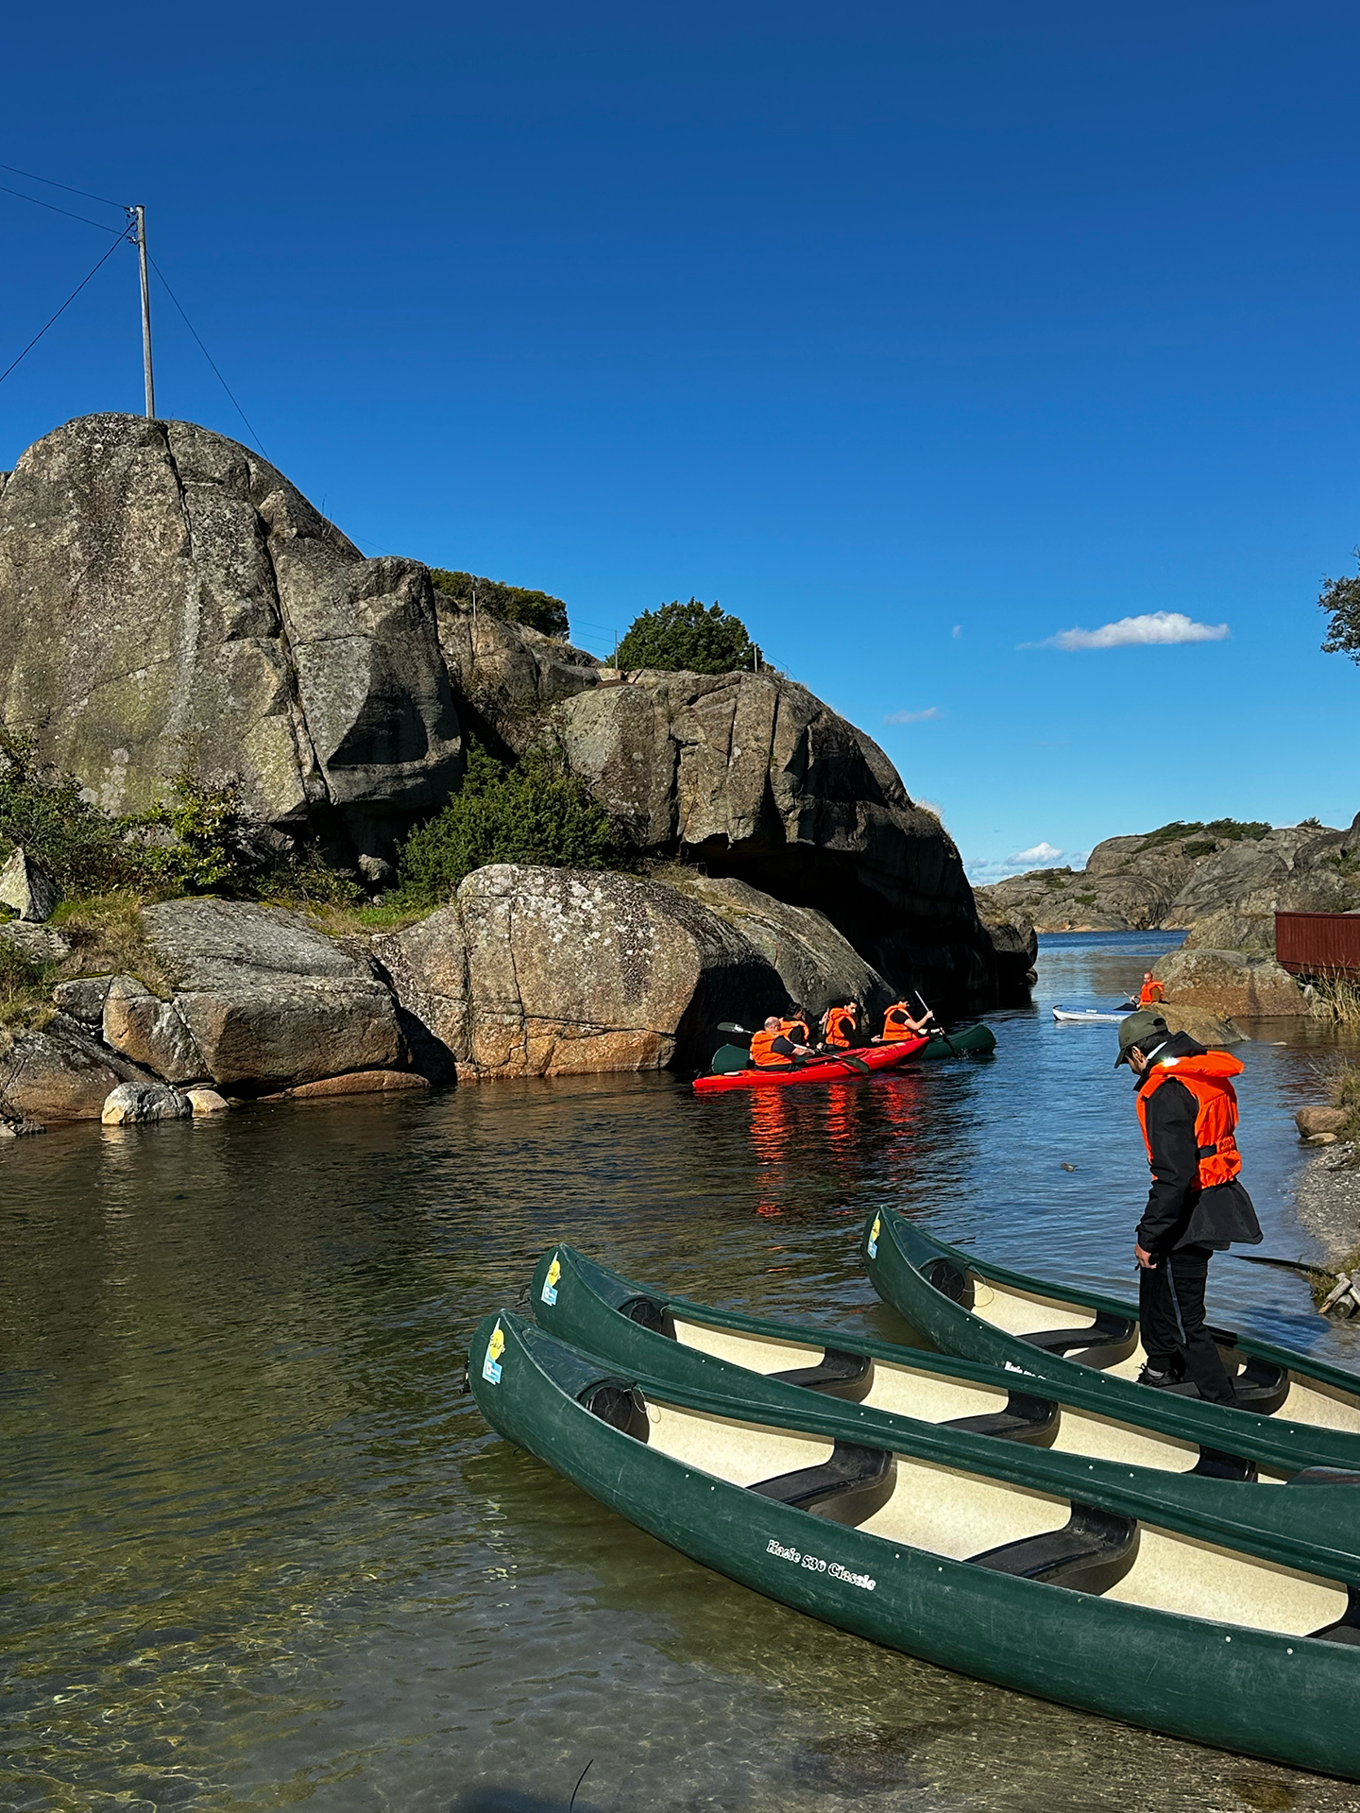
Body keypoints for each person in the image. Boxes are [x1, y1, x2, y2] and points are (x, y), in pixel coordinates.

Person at [1114, 1009, 1262, 1402]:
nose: (1131, 1070)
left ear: (1138, 1055)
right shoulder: (1201, 1073)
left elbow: (1174, 1178)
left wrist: (1148, 1237)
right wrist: (1152, 1240)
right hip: (1217, 1195)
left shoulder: (1166, 1092)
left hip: (1192, 1208)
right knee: (1154, 1278)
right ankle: (1161, 1368)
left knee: (1185, 1316)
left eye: (1128, 1062)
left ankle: (1223, 1406)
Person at [749, 1014, 815, 1069]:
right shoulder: (778, 1040)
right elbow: (801, 1053)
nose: (780, 1029)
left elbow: (751, 1057)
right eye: (779, 1027)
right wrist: (813, 1052)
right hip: (781, 1067)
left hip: (760, 1067)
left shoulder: (757, 1039)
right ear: (775, 1027)